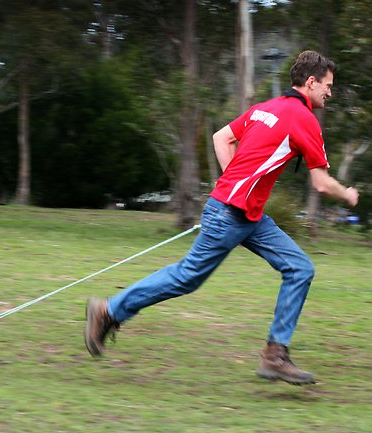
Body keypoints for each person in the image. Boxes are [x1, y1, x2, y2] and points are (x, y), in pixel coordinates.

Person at [84, 50, 359, 385]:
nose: (330, 92)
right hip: (230, 215)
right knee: (187, 277)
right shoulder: (304, 119)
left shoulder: (265, 109)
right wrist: (347, 194)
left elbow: (221, 137)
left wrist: (235, 183)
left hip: (247, 215)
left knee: (299, 268)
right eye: (328, 85)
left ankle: (275, 356)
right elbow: (320, 182)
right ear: (311, 82)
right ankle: (108, 310)